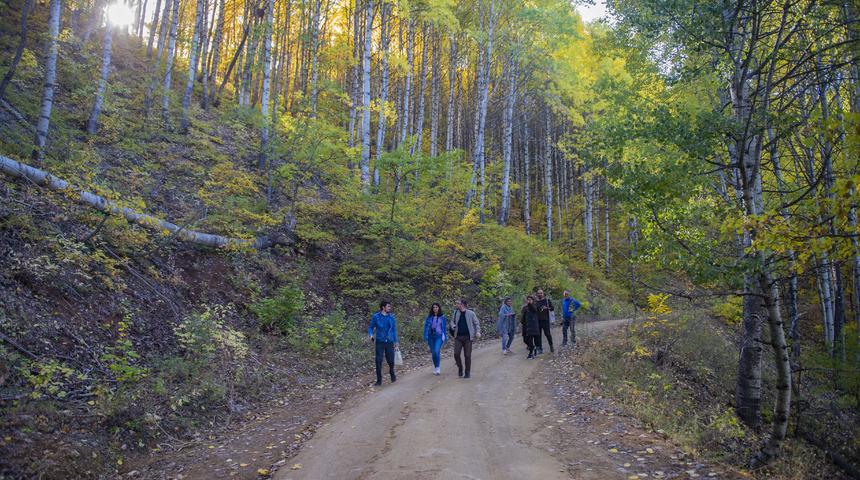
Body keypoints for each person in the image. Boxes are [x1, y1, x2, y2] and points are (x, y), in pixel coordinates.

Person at [368, 300, 399, 386]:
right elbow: (370, 328)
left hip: (389, 341)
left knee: (391, 361)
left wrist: (396, 341)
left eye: (390, 306)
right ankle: (379, 380)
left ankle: (391, 372)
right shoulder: (376, 317)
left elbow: (394, 330)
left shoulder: (391, 317)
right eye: (388, 306)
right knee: (378, 361)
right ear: (383, 307)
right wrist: (371, 335)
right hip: (379, 342)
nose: (390, 308)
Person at [449, 298, 481, 378]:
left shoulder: (471, 313)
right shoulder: (455, 312)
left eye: (457, 303)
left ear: (462, 304)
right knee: (456, 354)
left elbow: (476, 323)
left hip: (468, 337)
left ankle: (467, 372)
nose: (456, 304)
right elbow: (452, 321)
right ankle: (460, 367)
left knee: (467, 355)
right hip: (458, 337)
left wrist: (478, 331)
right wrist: (453, 326)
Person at [423, 303, 448, 375]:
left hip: (439, 336)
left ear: (439, 308)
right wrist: (425, 336)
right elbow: (425, 327)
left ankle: (438, 368)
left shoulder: (442, 317)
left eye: (436, 307)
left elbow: (444, 328)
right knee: (433, 353)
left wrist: (445, 337)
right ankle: (436, 367)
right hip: (431, 336)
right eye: (433, 307)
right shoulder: (429, 317)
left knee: (436, 351)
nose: (435, 308)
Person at [534, 289, 554, 354]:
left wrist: (547, 308)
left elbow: (552, 308)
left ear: (543, 293)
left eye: (541, 293)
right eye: (538, 293)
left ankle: (551, 346)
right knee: (538, 335)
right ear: (537, 294)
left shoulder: (547, 300)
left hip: (545, 320)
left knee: (547, 334)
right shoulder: (535, 302)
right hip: (537, 321)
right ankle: (540, 349)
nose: (540, 294)